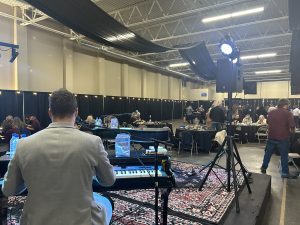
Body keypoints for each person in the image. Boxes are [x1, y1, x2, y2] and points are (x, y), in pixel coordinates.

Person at [2, 88, 116, 225]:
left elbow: (9, 189)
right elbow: (108, 180)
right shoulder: (93, 142)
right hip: (82, 221)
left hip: (36, 221)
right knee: (106, 202)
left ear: (50, 112)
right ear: (77, 111)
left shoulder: (23, 145)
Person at [261, 99, 296, 179]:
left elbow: (268, 123)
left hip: (271, 136)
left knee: (268, 154)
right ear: (285, 105)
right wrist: (292, 132)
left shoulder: (271, 112)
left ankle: (264, 167)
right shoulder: (288, 113)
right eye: (288, 105)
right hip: (283, 137)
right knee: (284, 156)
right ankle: (284, 173)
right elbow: (292, 125)